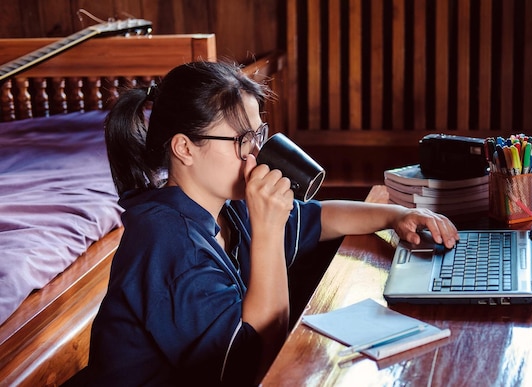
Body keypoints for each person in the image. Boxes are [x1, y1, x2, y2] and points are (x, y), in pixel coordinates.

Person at [85, 60, 459, 386]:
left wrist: (395, 216)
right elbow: (254, 361)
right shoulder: (167, 241)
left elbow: (321, 216)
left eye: (258, 135)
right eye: (242, 139)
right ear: (185, 148)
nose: (255, 153)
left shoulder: (228, 205)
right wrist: (268, 229)